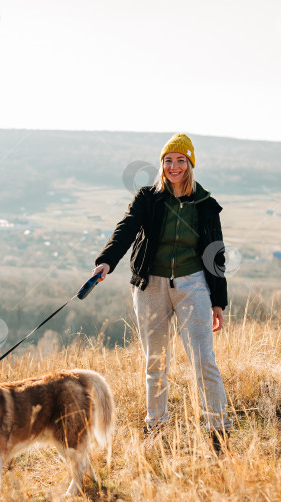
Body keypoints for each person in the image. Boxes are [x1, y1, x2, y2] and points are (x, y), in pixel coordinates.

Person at [92, 133, 232, 452]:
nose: (174, 166)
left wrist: (218, 303)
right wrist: (106, 262)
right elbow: (126, 228)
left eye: (180, 160)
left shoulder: (205, 205)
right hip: (150, 286)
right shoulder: (148, 198)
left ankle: (219, 429)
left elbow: (216, 254)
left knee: (203, 359)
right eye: (168, 160)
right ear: (162, 165)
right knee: (155, 361)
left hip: (192, 286)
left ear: (190, 163)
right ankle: (156, 427)